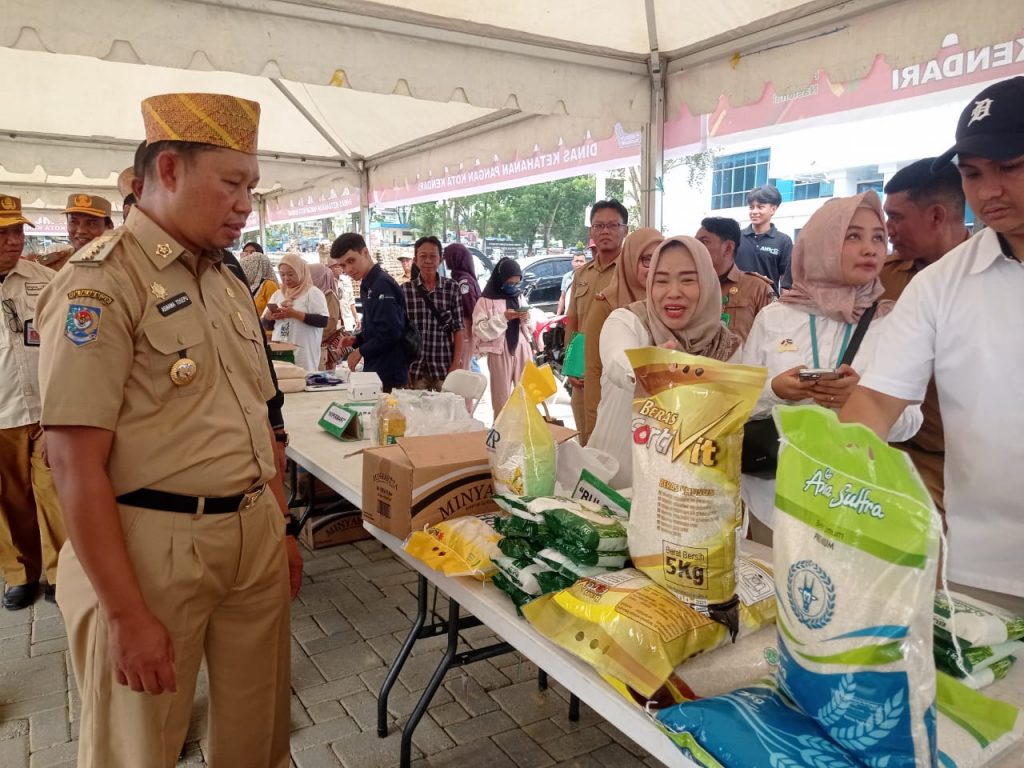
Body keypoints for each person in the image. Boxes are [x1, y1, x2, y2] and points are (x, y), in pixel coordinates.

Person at [36, 92, 301, 768]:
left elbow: (259, 417)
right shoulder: (101, 283)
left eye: (253, 187)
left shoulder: (224, 279)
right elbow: (72, 463)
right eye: (233, 183)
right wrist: (125, 614)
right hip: (150, 550)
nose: (246, 204)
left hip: (251, 537)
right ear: (171, 170)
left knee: (256, 734)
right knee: (139, 746)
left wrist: (280, 527)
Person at [841, 76, 1024, 612]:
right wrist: (829, 477)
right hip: (986, 567)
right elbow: (876, 400)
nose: (988, 190)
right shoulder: (941, 284)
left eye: (1009, 168)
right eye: (972, 174)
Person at [739, 190, 922, 546]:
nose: (870, 248)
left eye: (878, 237)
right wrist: (775, 390)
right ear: (822, 241)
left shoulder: (893, 323)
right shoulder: (776, 317)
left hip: (852, 505)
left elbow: (911, 422)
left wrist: (863, 399)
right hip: (773, 500)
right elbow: (738, 403)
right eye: (853, 236)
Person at [589, 236, 741, 488]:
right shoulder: (628, 321)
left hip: (683, 499)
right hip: (614, 491)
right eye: (661, 281)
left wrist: (776, 389)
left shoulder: (726, 346)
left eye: (688, 280)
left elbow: (736, 409)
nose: (673, 292)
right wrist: (651, 369)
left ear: (708, 282)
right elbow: (619, 361)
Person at [878, 158, 969, 515]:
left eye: (897, 217)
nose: (888, 229)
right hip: (888, 450)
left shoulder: (995, 276)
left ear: (935, 216)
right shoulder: (881, 278)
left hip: (963, 465)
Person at [0, 195, 66, 609]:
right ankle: (20, 573)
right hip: (2, 413)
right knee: (9, 501)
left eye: (18, 231)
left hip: (47, 410)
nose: (13, 241)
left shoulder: (45, 279)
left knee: (57, 493)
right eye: (3, 233)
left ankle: (64, 572)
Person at [581, 227, 662, 445]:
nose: (655, 268)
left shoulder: (670, 305)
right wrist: (593, 426)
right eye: (646, 259)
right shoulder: (607, 303)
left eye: (660, 258)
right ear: (630, 260)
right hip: (616, 421)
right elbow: (593, 367)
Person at [564, 199, 628, 441]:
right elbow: (573, 320)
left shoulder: (631, 273)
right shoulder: (582, 273)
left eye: (613, 225)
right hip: (582, 371)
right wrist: (571, 365)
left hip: (614, 371)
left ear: (625, 230)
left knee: (611, 438)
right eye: (598, 226)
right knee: (585, 436)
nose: (605, 231)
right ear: (591, 231)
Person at [332, 232, 409, 391]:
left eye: (351, 261)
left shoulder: (382, 284)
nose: (349, 269)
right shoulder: (367, 284)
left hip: (389, 373)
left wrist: (361, 350)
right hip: (376, 370)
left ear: (365, 253)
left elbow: (391, 332)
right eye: (343, 265)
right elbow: (377, 329)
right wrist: (357, 340)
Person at [695, 216, 775, 341]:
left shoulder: (757, 288)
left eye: (704, 242)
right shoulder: (691, 285)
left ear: (728, 248)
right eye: (696, 242)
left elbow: (773, 337)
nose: (696, 248)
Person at [473, 258, 536, 414]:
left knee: (526, 395)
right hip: (499, 351)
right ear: (501, 279)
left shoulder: (518, 296)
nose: (513, 287)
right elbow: (480, 330)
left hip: (522, 348)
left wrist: (525, 317)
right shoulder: (485, 300)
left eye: (516, 283)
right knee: (501, 398)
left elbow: (530, 326)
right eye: (510, 283)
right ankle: (501, 435)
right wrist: (503, 318)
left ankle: (525, 432)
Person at [401, 236, 464, 390]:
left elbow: (459, 329)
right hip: (415, 369)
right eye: (423, 256)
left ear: (440, 259)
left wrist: (456, 364)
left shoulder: (452, 288)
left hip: (444, 367)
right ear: (415, 260)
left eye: (432, 256)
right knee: (415, 413)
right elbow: (399, 333)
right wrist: (403, 367)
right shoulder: (405, 290)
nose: (428, 261)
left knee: (445, 412)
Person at [262, 252, 329, 372]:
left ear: (300, 272)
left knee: (303, 379)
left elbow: (323, 321)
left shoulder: (312, 293)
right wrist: (270, 317)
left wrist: (294, 314)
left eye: (290, 274)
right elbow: (266, 325)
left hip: (303, 351)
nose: (286, 278)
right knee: (284, 381)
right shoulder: (278, 294)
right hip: (281, 350)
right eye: (282, 275)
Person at [31, 194, 115, 272]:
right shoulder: (51, 266)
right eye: (74, 222)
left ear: (109, 227)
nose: (81, 230)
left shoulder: (121, 266)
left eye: (92, 223)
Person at [736, 185, 793, 292]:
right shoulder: (736, 237)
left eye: (760, 207)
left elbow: (786, 282)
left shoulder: (784, 241)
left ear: (773, 209)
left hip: (768, 303)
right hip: (735, 302)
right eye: (751, 207)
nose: (754, 211)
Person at [444, 242, 482, 370]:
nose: (445, 260)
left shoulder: (463, 280)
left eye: (447, 256)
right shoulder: (462, 277)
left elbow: (469, 305)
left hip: (465, 328)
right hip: (465, 327)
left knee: (462, 366)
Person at [309, 263, 342, 370]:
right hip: (314, 344)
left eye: (311, 275)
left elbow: (330, 322)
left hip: (323, 344)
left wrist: (311, 332)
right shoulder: (312, 294)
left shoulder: (329, 295)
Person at [239, 241, 279, 316]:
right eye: (246, 252)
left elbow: (276, 314)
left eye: (252, 252)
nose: (248, 255)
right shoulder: (240, 283)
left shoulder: (269, 285)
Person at [556, 250, 588, 315]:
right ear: (572, 263)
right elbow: (562, 297)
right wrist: (558, 315)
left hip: (583, 316)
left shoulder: (590, 277)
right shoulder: (567, 277)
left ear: (586, 263)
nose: (579, 264)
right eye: (576, 261)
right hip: (568, 314)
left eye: (581, 261)